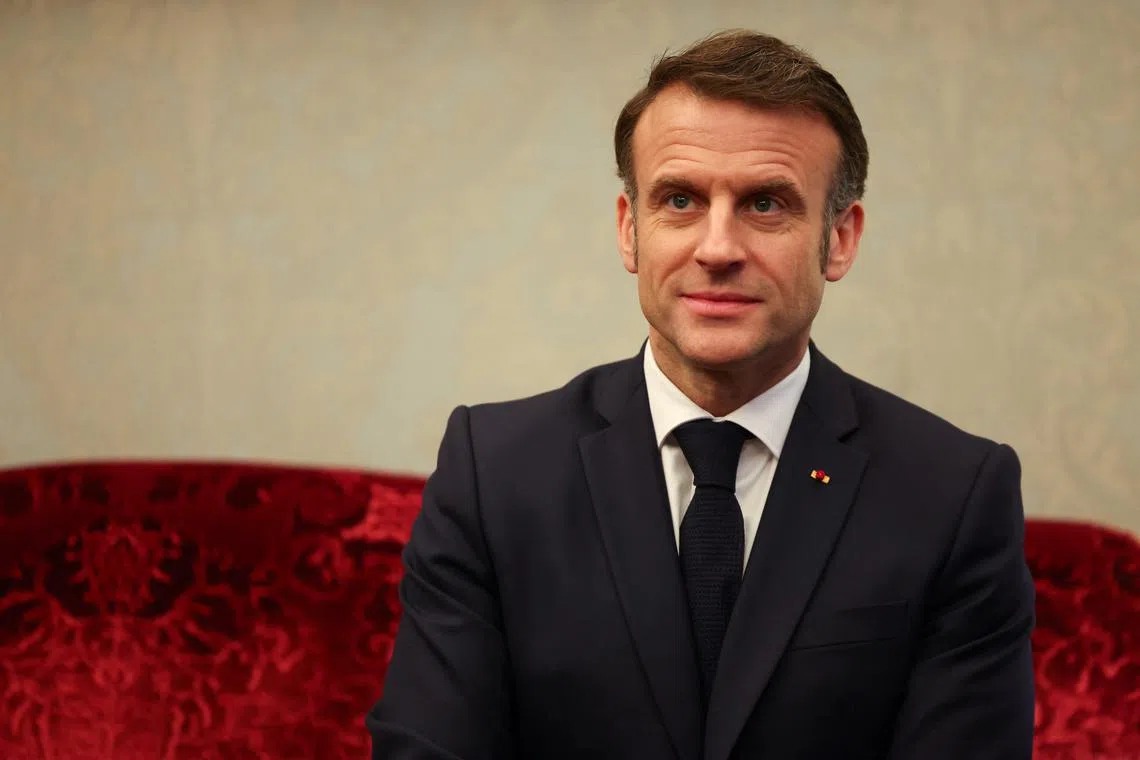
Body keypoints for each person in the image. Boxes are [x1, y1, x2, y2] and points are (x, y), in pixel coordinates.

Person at [367, 29, 1036, 760]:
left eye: (766, 204)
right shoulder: (493, 473)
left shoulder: (954, 493)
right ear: (630, 231)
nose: (717, 248)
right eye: (680, 200)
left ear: (839, 239)